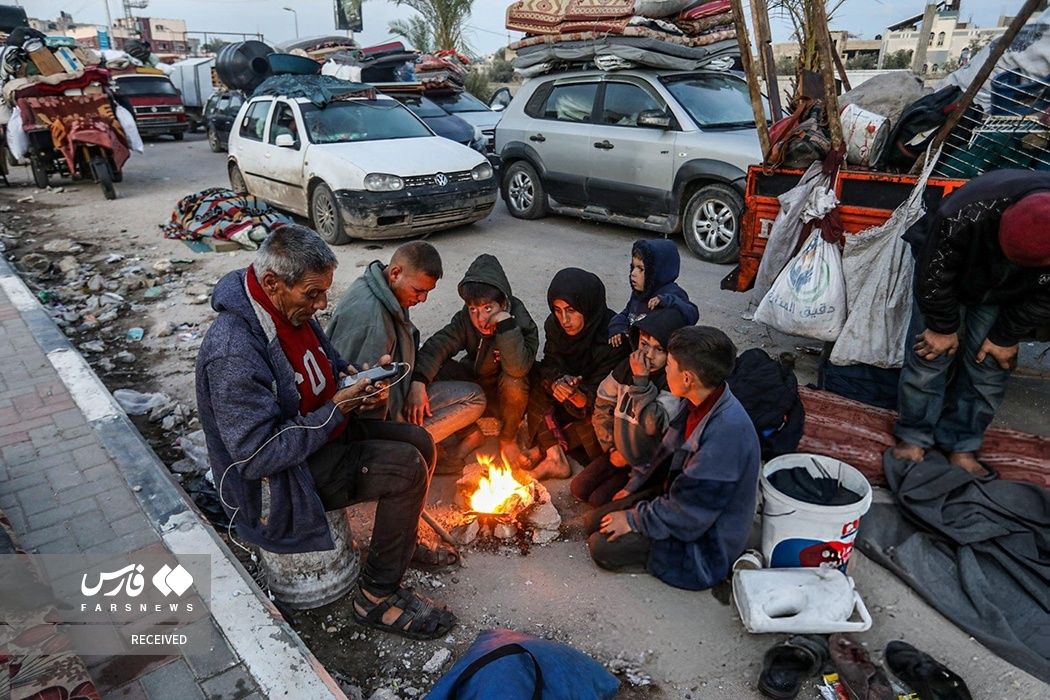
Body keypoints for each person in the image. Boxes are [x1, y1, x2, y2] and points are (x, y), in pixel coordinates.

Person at [196, 225, 455, 640]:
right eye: (312, 294)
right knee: (406, 469)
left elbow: (329, 364)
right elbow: (255, 454)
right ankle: (375, 597)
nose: (321, 305)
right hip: (282, 476)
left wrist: (356, 383)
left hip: (320, 436)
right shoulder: (235, 349)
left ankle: (399, 545)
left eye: (324, 293)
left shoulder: (290, 311)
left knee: (420, 441)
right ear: (271, 283)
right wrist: (336, 410)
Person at [894, 169, 1050, 474]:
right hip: (951, 274)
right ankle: (914, 437)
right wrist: (941, 326)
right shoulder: (963, 212)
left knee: (991, 364)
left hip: (1013, 290)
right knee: (931, 355)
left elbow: (1046, 298)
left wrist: (1006, 335)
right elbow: (933, 275)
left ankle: (961, 444)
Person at [586, 326, 761, 591]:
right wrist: (631, 489)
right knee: (594, 521)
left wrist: (633, 519)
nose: (664, 371)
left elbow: (689, 514)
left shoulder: (725, 434)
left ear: (688, 377)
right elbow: (663, 453)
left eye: (669, 364)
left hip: (705, 541)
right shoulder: (698, 400)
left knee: (600, 546)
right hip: (680, 495)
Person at [327, 241, 486, 452]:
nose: (423, 299)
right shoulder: (374, 324)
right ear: (395, 273)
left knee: (454, 372)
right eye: (419, 290)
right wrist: (400, 430)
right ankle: (411, 448)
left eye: (427, 292)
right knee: (475, 399)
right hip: (383, 424)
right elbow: (363, 407)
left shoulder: (381, 288)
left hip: (400, 389)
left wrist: (417, 384)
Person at [412, 254, 540, 469]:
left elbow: (518, 369)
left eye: (488, 309)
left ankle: (508, 438)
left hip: (509, 399)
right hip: (478, 384)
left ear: (504, 304)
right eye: (474, 310)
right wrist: (418, 381)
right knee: (437, 366)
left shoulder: (521, 320)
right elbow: (438, 345)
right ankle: (471, 433)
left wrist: (505, 326)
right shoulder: (465, 319)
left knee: (514, 381)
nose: (480, 319)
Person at [571, 309, 688, 507]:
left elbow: (653, 425)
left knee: (598, 501)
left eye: (659, 350)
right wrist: (611, 446)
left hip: (648, 463)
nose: (649, 355)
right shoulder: (626, 367)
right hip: (618, 451)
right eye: (644, 345)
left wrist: (641, 382)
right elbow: (602, 403)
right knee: (578, 488)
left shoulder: (671, 383)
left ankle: (650, 491)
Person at [526, 268, 629, 479]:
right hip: (564, 394)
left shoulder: (613, 337)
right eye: (557, 310)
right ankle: (555, 455)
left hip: (594, 402)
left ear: (588, 306)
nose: (564, 319)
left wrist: (580, 396)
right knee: (533, 379)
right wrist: (557, 383)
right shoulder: (554, 326)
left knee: (595, 423)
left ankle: (545, 446)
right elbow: (550, 363)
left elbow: (608, 392)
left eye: (571, 310)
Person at [608, 239, 699, 347]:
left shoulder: (672, 293)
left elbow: (692, 313)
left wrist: (667, 301)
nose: (633, 273)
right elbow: (626, 313)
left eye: (641, 269)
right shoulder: (640, 294)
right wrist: (617, 327)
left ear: (657, 272)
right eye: (633, 267)